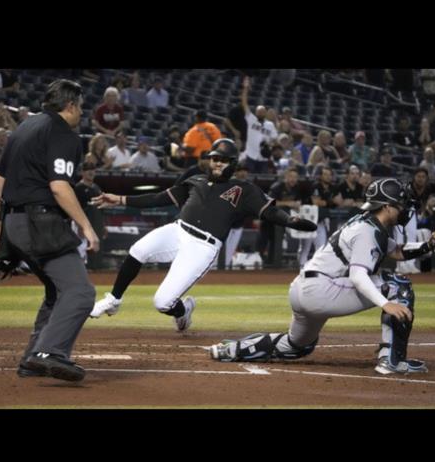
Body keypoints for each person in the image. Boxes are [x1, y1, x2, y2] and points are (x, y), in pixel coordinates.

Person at [209, 177, 435, 375]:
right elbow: (358, 276)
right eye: (401, 204)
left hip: (303, 289)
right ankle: (392, 362)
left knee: (297, 346)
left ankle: (231, 349)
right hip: (322, 290)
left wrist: (430, 245)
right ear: (387, 206)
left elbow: (397, 251)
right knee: (398, 286)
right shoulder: (367, 231)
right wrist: (386, 303)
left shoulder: (365, 223)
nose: (405, 208)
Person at [88, 139, 317, 330]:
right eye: (214, 158)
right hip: (177, 230)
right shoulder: (195, 180)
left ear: (233, 163)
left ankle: (184, 310)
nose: (217, 163)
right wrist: (119, 199)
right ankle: (114, 300)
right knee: (137, 250)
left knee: (162, 302)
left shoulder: (244, 189)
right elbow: (158, 198)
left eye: (223, 159)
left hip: (203, 246)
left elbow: (270, 212)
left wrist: (290, 221)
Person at [0, 78, 99, 383]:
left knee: (56, 292)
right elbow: (60, 187)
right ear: (71, 104)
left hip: (13, 222)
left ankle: (30, 361)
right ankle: (49, 352)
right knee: (80, 292)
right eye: (81, 106)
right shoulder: (63, 133)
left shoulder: (24, 127)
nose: (81, 112)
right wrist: (87, 226)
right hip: (40, 223)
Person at [297, 165, 337, 268]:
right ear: (321, 176)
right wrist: (330, 202)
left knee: (321, 247)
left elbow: (339, 201)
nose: (328, 177)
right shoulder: (315, 186)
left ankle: (316, 268)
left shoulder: (332, 187)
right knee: (305, 247)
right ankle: (302, 267)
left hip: (320, 221)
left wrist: (328, 202)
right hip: (308, 219)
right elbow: (316, 202)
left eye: (329, 175)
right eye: (325, 174)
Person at [239, 76, 278, 173]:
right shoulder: (251, 119)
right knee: (249, 180)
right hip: (251, 155)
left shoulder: (270, 125)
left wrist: (269, 144)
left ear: (265, 113)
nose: (261, 113)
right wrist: (245, 89)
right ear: (256, 113)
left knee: (261, 181)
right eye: (259, 111)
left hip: (263, 158)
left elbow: (275, 138)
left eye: (262, 111)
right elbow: (244, 103)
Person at [73, 161, 106, 268]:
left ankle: (92, 268)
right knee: (80, 248)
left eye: (93, 170)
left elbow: (101, 207)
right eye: (87, 170)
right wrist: (79, 225)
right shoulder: (78, 188)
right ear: (82, 172)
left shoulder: (97, 188)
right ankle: (78, 271)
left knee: (94, 248)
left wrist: (103, 225)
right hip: (81, 221)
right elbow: (74, 208)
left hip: (95, 222)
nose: (91, 172)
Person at [223, 163, 249, 269]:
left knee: (230, 252)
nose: (243, 173)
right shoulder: (229, 184)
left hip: (238, 224)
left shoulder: (249, 186)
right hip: (225, 224)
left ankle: (222, 276)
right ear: (236, 173)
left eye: (245, 170)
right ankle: (213, 273)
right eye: (240, 170)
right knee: (219, 251)